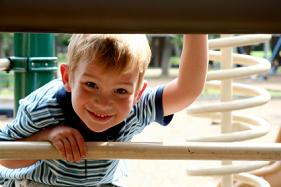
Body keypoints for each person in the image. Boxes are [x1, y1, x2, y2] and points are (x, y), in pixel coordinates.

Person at [0, 34, 208, 187]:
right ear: (67, 78)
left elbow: (186, 90)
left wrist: (196, 29)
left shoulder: (136, 108)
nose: (103, 103)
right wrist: (45, 138)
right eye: (91, 85)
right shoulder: (43, 107)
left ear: (137, 92)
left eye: (120, 90)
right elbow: (5, 157)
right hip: (38, 182)